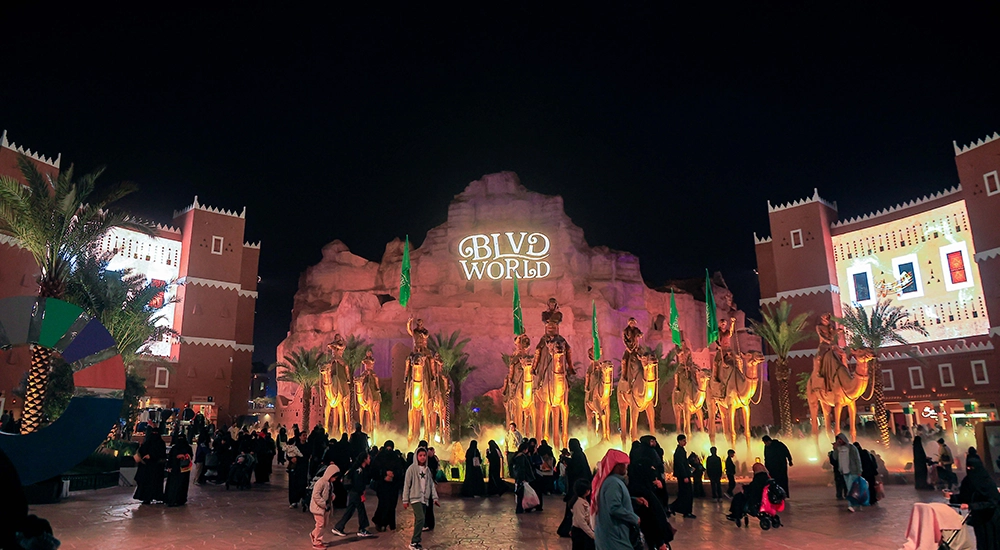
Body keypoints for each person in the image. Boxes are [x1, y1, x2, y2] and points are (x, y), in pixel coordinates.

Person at [945, 455, 1000, 550]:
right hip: (978, 519)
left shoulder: (987, 482)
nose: (970, 470)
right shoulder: (968, 481)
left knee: (992, 543)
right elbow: (965, 496)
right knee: (982, 543)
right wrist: (952, 497)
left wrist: (971, 506)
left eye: (972, 468)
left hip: (991, 519)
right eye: (968, 468)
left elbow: (992, 502)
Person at [592, 449, 640, 550]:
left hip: (612, 534)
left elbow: (613, 500)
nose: (626, 467)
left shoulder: (612, 481)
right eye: (624, 464)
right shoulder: (613, 483)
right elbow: (614, 508)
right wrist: (634, 518)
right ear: (617, 466)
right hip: (614, 535)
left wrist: (633, 500)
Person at [403, 447, 440, 550]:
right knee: (421, 518)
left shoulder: (427, 470)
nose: (422, 457)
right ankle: (413, 542)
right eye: (420, 455)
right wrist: (405, 499)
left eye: (424, 455)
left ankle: (417, 542)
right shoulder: (411, 469)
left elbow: (431, 485)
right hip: (415, 498)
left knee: (419, 520)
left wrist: (435, 498)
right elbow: (406, 485)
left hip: (424, 499)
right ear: (416, 456)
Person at [331, 452, 374, 538]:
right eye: (369, 458)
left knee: (350, 511)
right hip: (356, 493)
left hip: (353, 493)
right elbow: (358, 484)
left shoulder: (357, 468)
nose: (370, 459)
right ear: (364, 459)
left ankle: (339, 527)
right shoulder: (359, 470)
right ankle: (362, 529)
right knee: (361, 510)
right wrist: (361, 493)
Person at [371, 441, 404, 532]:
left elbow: (400, 470)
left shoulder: (396, 458)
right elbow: (374, 471)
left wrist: (393, 475)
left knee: (392, 505)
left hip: (393, 486)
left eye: (390, 448)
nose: (389, 450)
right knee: (383, 504)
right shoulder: (379, 457)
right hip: (382, 486)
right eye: (387, 448)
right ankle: (380, 522)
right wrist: (384, 474)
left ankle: (390, 523)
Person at [309, 462, 340, 549]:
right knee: (320, 524)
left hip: (325, 508)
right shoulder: (321, 482)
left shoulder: (329, 483)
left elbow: (328, 492)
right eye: (334, 477)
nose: (334, 479)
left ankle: (314, 535)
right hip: (318, 508)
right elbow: (316, 495)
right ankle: (317, 542)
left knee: (324, 524)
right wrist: (323, 504)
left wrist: (332, 495)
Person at [133, 428, 167, 504]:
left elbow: (161, 454)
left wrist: (151, 456)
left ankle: (154, 496)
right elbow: (142, 451)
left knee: (154, 483)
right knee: (147, 483)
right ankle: (146, 498)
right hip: (148, 467)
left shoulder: (160, 443)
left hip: (155, 467)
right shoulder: (148, 442)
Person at [834, 433, 863, 512]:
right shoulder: (838, 449)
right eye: (838, 439)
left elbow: (857, 459)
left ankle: (851, 506)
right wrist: (835, 449)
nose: (839, 441)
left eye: (840, 439)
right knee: (851, 489)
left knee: (850, 489)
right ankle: (858, 504)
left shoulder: (851, 448)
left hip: (853, 471)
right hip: (844, 472)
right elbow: (835, 458)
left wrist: (859, 470)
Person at [164, 433, 193, 506]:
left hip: (182, 469)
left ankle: (178, 499)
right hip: (179, 469)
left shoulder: (178, 448)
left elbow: (190, 457)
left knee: (179, 484)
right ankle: (174, 499)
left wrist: (183, 456)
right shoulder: (178, 448)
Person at [671, 434, 695, 518]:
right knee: (687, 494)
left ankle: (675, 508)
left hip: (684, 475)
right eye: (684, 441)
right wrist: (685, 476)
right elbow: (680, 465)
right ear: (679, 441)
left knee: (684, 494)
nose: (685, 442)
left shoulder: (681, 450)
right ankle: (686, 511)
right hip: (683, 476)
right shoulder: (679, 451)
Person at [569, 478, 596, 550]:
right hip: (580, 532)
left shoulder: (583, 500)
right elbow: (581, 521)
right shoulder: (579, 503)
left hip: (583, 531)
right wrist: (592, 534)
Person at [286, 432, 310, 508]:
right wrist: (291, 459)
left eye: (306, 435)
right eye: (303, 435)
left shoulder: (308, 446)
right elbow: (288, 454)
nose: (305, 437)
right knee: (293, 484)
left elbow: (308, 456)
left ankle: (303, 499)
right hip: (295, 468)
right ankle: (293, 501)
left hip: (303, 468)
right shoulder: (295, 446)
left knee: (302, 484)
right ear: (299, 437)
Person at [514, 441, 539, 513]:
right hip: (522, 478)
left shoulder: (517, 456)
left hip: (519, 478)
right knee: (522, 494)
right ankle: (521, 508)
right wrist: (523, 478)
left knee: (521, 494)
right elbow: (522, 468)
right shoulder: (522, 457)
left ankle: (521, 508)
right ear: (525, 449)